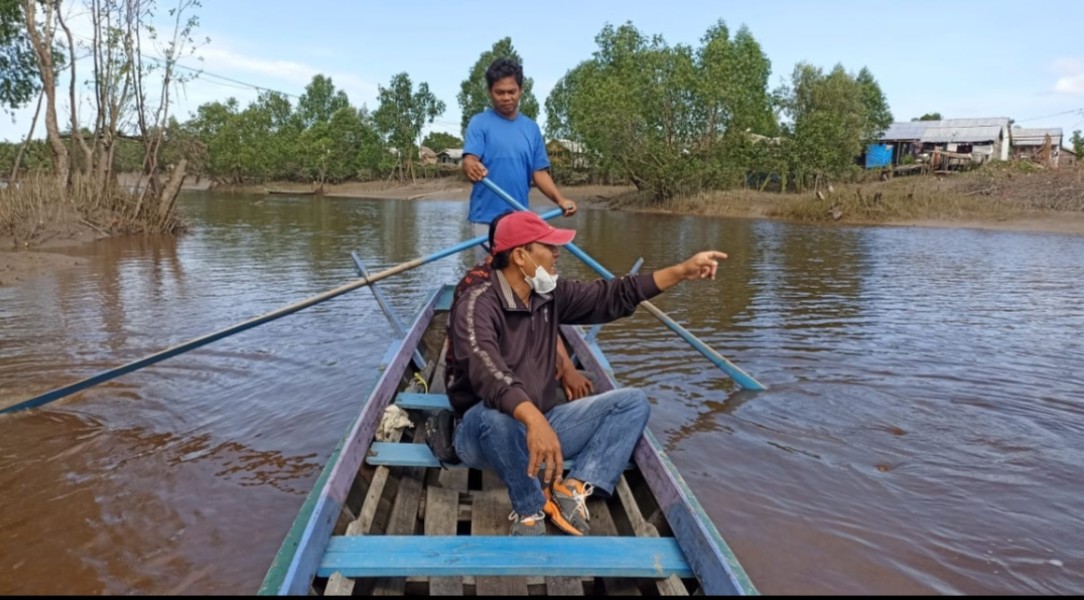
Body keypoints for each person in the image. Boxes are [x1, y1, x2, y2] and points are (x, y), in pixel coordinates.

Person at [445, 210, 729, 536]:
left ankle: (574, 487)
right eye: (549, 247)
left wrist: (680, 272)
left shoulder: (549, 294)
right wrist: (533, 419)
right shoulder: (477, 303)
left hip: (543, 423)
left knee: (633, 403)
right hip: (482, 436)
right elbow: (486, 369)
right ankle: (530, 508)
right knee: (497, 417)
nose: (557, 254)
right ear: (520, 256)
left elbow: (613, 294)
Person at [461, 57, 577, 262]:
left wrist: (560, 200)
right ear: (490, 92)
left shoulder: (531, 129)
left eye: (511, 91)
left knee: (520, 275)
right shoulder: (479, 123)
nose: (506, 97)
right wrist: (470, 165)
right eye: (500, 92)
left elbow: (539, 172)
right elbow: (470, 158)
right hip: (485, 220)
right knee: (489, 276)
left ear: (521, 90)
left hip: (518, 219)